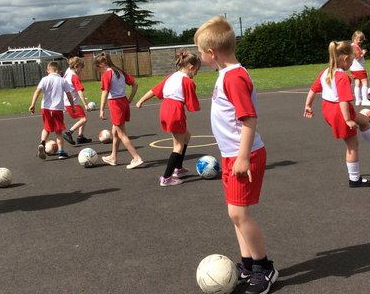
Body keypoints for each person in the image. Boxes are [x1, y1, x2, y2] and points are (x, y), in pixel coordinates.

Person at [194, 15, 277, 294]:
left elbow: (249, 118)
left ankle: (264, 268)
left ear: (211, 53)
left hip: (245, 156)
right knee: (235, 214)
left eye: (199, 51)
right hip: (231, 155)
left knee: (240, 214)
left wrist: (242, 157)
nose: (198, 55)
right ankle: (248, 263)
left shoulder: (235, 77)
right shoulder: (226, 74)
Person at [304, 41, 370, 188]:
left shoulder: (325, 72)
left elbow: (313, 90)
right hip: (340, 111)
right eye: (351, 60)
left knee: (364, 121)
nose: (352, 63)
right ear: (345, 59)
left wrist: (308, 105)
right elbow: (344, 101)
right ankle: (355, 178)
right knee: (352, 145)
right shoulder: (342, 77)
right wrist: (348, 120)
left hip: (329, 108)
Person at [136, 50, 201, 186]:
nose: (196, 73)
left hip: (165, 108)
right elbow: (193, 106)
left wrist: (140, 101)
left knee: (186, 136)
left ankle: (178, 168)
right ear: (190, 66)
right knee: (178, 145)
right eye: (196, 70)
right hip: (175, 110)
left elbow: (154, 91)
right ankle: (166, 178)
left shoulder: (171, 77)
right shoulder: (187, 82)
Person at [95, 53, 145, 169]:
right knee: (115, 132)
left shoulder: (107, 74)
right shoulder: (119, 72)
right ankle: (113, 157)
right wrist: (130, 99)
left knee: (122, 133)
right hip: (123, 102)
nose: (98, 69)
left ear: (102, 64)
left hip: (115, 104)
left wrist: (101, 109)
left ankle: (136, 158)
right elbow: (135, 84)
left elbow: (105, 92)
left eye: (98, 67)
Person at [29, 61, 77, 159]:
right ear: (60, 70)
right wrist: (72, 106)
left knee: (46, 128)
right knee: (58, 131)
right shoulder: (62, 80)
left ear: (47, 70)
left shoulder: (44, 79)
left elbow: (37, 91)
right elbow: (69, 94)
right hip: (57, 109)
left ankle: (42, 143)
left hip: (45, 108)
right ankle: (61, 152)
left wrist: (33, 104)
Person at [62, 57, 93, 145]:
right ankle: (69, 132)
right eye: (81, 68)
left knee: (82, 117)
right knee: (83, 119)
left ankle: (80, 136)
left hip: (67, 102)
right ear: (76, 66)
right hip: (72, 103)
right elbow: (80, 91)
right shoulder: (74, 77)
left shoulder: (67, 74)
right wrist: (85, 104)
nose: (81, 70)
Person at [350, 31, 370, 107]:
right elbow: (357, 57)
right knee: (365, 83)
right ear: (354, 38)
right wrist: (363, 52)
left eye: (361, 40)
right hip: (359, 68)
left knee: (357, 83)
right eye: (359, 39)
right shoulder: (355, 47)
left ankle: (358, 100)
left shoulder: (352, 46)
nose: (360, 42)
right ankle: (364, 100)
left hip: (354, 68)